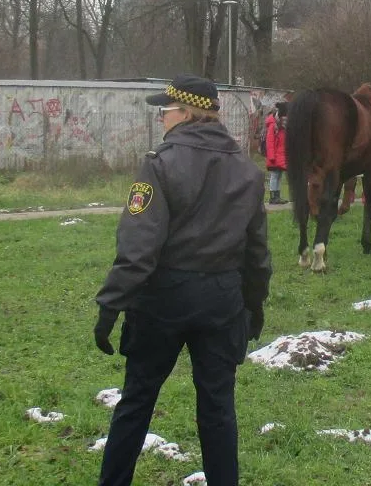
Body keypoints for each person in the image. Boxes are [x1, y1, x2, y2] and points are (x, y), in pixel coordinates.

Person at [93, 74, 272, 486]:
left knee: (137, 399)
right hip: (222, 299)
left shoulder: (159, 164)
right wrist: (254, 304)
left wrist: (110, 305)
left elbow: (138, 247)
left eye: (165, 111)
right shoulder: (247, 171)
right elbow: (257, 252)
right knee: (218, 407)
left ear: (187, 114)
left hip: (164, 299)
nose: (161, 119)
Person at [263, 102, 288, 205]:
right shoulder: (273, 126)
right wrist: (272, 157)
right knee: (274, 176)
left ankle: (277, 196)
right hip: (274, 157)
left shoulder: (283, 126)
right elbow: (270, 142)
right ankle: (273, 197)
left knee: (278, 177)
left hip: (281, 157)